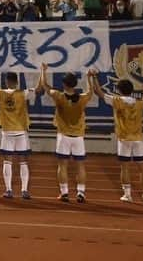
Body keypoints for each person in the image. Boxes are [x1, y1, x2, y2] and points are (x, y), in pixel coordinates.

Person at [88, 71, 143, 204]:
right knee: (142, 168)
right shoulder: (139, 104)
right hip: (138, 139)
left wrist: (94, 77)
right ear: (132, 90)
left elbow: (98, 92)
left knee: (125, 168)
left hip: (123, 139)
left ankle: (127, 194)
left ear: (119, 90)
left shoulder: (116, 101)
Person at [38, 64, 91, 202]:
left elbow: (44, 85)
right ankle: (81, 192)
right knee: (80, 166)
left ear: (64, 84)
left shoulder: (59, 96)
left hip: (63, 136)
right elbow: (91, 92)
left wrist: (43, 70)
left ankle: (64, 192)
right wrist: (90, 78)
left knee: (62, 165)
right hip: (78, 136)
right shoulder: (82, 99)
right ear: (75, 84)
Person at [0, 70, 34, 199]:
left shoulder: (0, 93)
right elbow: (39, 89)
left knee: (7, 161)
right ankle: (24, 190)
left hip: (7, 132)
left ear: (6, 81)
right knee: (23, 162)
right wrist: (42, 71)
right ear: (17, 82)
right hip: (21, 132)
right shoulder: (22, 93)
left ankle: (9, 190)